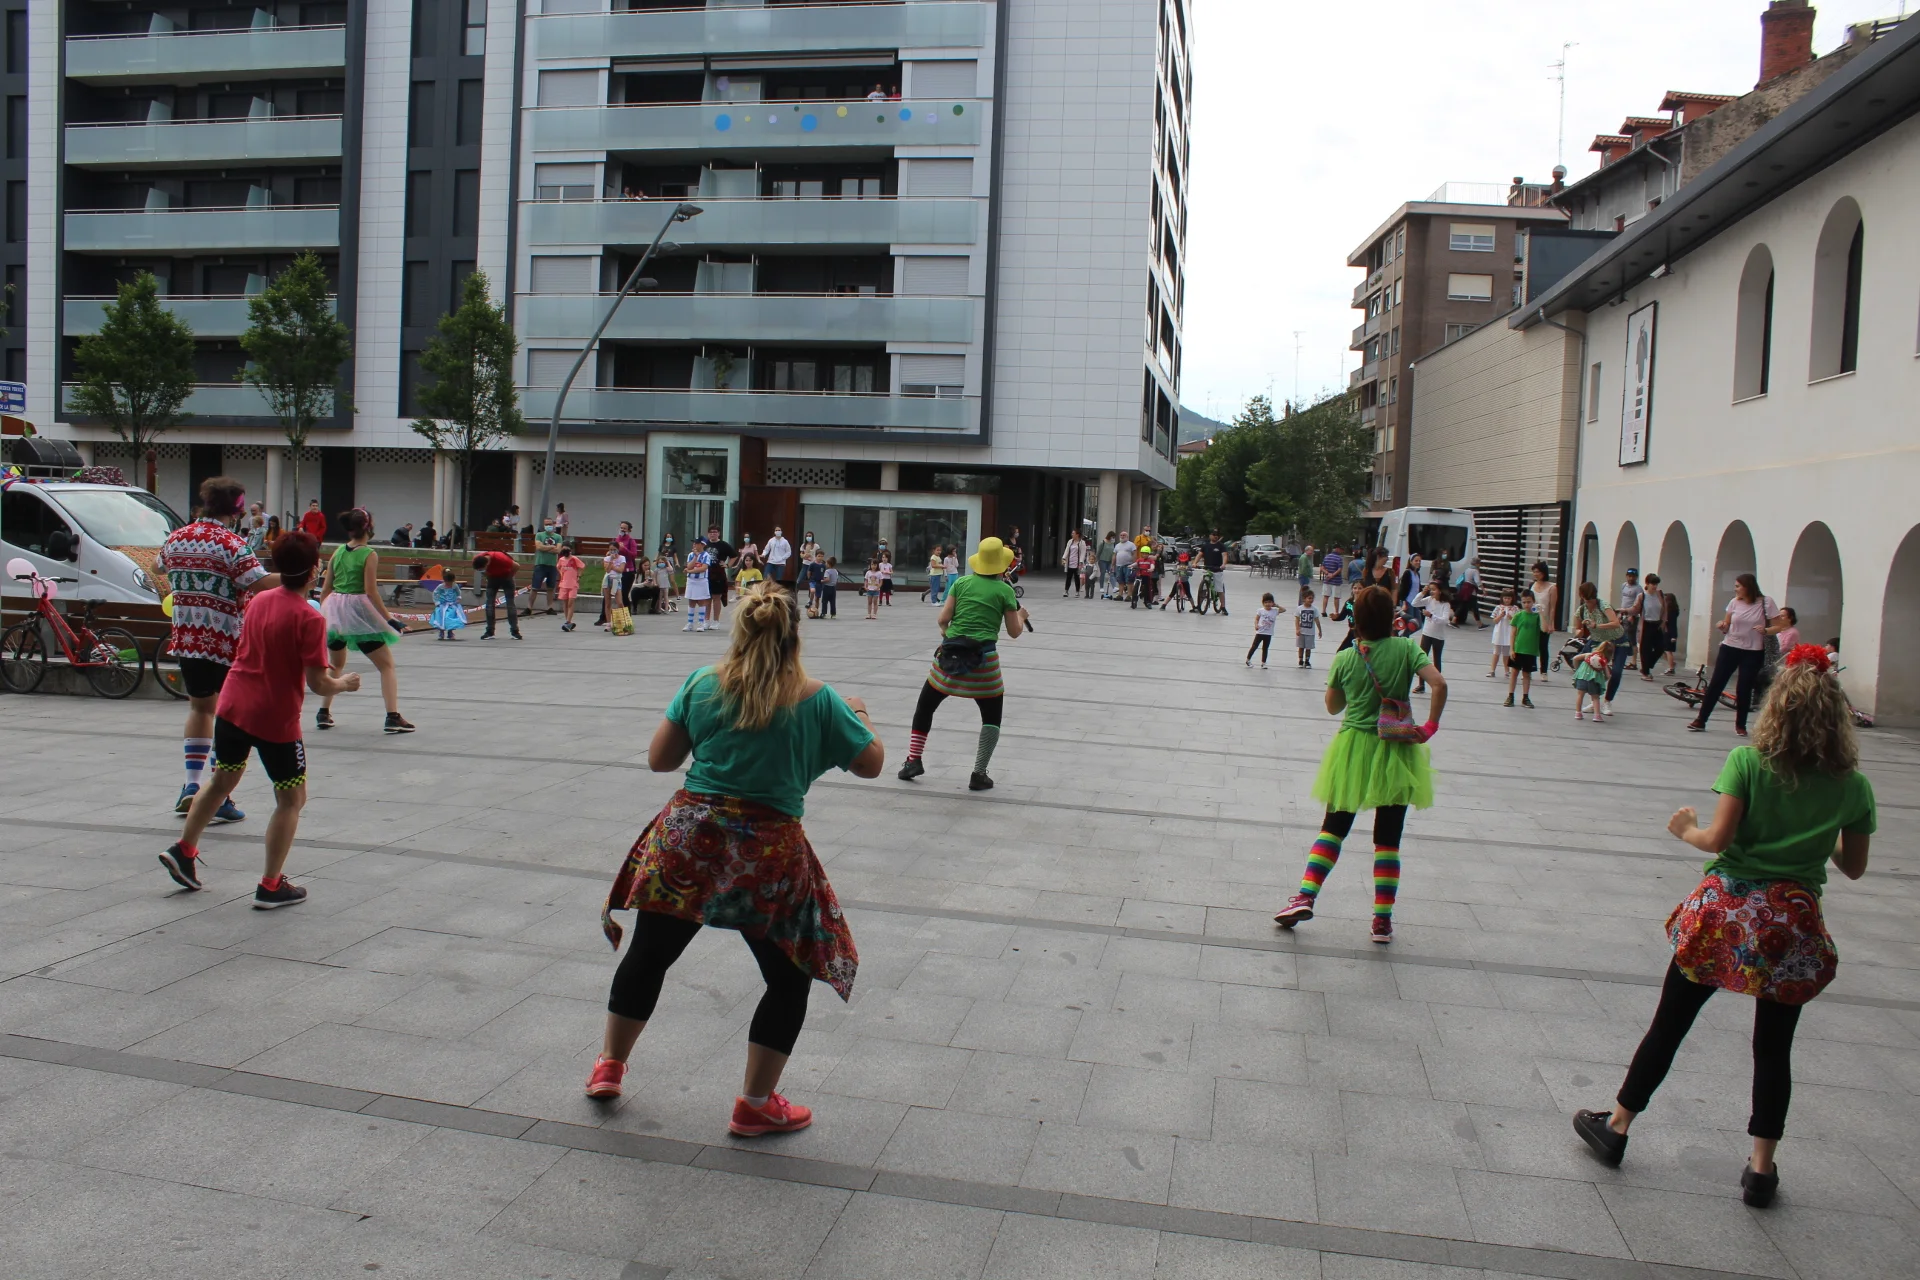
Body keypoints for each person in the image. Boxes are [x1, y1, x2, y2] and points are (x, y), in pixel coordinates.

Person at [1573, 645, 1873, 1206]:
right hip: (1792, 921)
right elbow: (1853, 866)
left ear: (1775, 708)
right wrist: (1823, 830)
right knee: (1774, 1047)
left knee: (1671, 1023)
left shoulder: (1747, 762)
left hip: (1726, 913)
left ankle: (1617, 1127)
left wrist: (1686, 828)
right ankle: (1761, 1167)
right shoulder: (1852, 786)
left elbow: (1718, 840)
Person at [586, 582, 885, 1128]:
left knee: (649, 956)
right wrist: (859, 715)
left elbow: (660, 760)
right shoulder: (820, 699)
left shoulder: (702, 683)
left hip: (689, 839)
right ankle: (755, 1105)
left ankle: (609, 1065)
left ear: (739, 629)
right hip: (766, 853)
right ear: (795, 635)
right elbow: (871, 765)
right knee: (787, 978)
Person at [159, 531, 361, 907]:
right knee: (291, 798)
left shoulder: (259, 600)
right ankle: (271, 884)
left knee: (221, 780)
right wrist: (344, 684)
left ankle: (184, 850)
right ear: (313, 571)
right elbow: (318, 683)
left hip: (233, 706)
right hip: (274, 718)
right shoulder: (309, 617)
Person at [1275, 586, 1447, 944]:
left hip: (1352, 749)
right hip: (1395, 748)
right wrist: (1429, 727)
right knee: (1388, 840)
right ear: (1390, 616)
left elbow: (1333, 707)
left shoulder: (1346, 657)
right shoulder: (1406, 648)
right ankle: (1381, 921)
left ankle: (1305, 896)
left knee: (1333, 828)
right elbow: (1438, 683)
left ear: (1356, 620)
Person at [159, 476, 281, 823]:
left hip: (187, 637)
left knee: (200, 709)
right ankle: (220, 794)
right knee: (228, 717)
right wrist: (298, 576)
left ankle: (191, 785)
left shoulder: (177, 537)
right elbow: (259, 582)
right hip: (226, 641)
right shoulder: (232, 543)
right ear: (236, 510)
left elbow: (158, 565)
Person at [897, 537, 1030, 791]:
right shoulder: (1005, 591)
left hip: (949, 658)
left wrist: (948, 636)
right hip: (984, 663)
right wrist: (1021, 616)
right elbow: (1014, 632)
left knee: (925, 706)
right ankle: (978, 773)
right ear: (1001, 566)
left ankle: (913, 760)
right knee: (991, 717)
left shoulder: (962, 583)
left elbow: (943, 619)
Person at [315, 509, 413, 733]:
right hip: (357, 613)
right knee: (386, 666)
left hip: (334, 611)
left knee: (336, 664)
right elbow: (370, 592)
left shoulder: (338, 551)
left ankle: (323, 712)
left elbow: (326, 588)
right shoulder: (369, 554)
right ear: (368, 527)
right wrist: (389, 619)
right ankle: (392, 716)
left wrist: (323, 615)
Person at [1688, 574, 1788, 736]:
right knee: (1716, 684)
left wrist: (1766, 630)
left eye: (1738, 586)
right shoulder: (1734, 602)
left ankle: (1741, 725)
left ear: (1748, 587)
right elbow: (1727, 623)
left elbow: (1779, 626)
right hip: (1730, 647)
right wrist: (1722, 625)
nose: (1735, 589)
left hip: (1753, 651)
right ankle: (1701, 720)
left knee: (1744, 687)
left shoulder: (1766, 602)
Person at [473, 548, 523, 640]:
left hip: (506, 576)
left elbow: (516, 566)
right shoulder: (478, 559)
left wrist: (509, 577)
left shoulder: (501, 558)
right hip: (492, 578)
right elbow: (480, 570)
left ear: (487, 564)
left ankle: (515, 631)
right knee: (489, 604)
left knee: (510, 604)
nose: (482, 571)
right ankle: (490, 631)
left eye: (483, 569)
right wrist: (487, 575)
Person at [1506, 589, 1543, 708]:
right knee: (1514, 673)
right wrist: (1512, 649)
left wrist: (1542, 613)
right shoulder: (1518, 616)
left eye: (1529, 602)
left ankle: (1525, 697)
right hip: (1518, 649)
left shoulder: (1537, 617)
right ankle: (1510, 696)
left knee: (1527, 674)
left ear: (1534, 602)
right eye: (1524, 602)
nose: (1526, 604)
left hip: (1530, 650)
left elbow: (1544, 628)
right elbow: (1513, 633)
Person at [1414, 581, 1451, 693]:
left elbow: (1444, 620)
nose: (1432, 592)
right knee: (1422, 658)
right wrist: (1422, 593)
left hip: (1438, 636)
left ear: (1440, 591)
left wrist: (1431, 615)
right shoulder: (1429, 599)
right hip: (1427, 633)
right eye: (1430, 589)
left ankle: (1437, 685)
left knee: (1436, 660)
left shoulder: (1445, 604)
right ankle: (1421, 685)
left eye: (1434, 589)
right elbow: (1415, 603)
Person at [1530, 563, 1559, 684]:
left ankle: (1543, 671)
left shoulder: (1552, 587)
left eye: (1538, 572)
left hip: (1544, 619)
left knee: (1543, 646)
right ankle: (1529, 669)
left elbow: (1552, 607)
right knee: (1530, 645)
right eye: (1534, 571)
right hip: (1532, 618)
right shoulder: (1532, 585)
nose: (1536, 574)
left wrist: (1551, 623)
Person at [1573, 640, 1614, 723]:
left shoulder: (1589, 655)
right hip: (1594, 681)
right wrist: (1604, 680)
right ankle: (1597, 715)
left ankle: (1578, 713)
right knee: (1595, 698)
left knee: (1580, 695)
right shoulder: (1603, 661)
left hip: (1582, 677)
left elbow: (1575, 658)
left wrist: (1578, 669)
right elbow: (1608, 675)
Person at [1638, 573, 1667, 679]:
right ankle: (1646, 672)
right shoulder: (1642, 596)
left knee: (1660, 647)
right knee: (1645, 649)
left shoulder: (1660, 594)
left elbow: (1665, 609)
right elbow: (1635, 608)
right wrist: (1626, 611)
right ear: (1647, 584)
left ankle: (1648, 665)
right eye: (1652, 584)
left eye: (1656, 584)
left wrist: (1663, 622)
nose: (1654, 586)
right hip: (1647, 624)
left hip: (1657, 624)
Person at [530, 520, 563, 615]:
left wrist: (545, 548)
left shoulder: (558, 537)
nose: (548, 526)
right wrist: (552, 547)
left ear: (553, 525)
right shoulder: (539, 535)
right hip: (540, 564)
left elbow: (558, 550)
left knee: (551, 588)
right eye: (546, 524)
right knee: (535, 587)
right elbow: (539, 547)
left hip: (552, 565)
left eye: (550, 524)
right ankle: (529, 607)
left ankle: (550, 607)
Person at [705, 525, 737, 619]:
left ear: (718, 533)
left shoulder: (723, 545)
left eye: (715, 532)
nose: (712, 534)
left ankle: (716, 620)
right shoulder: (705, 544)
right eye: (711, 532)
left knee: (716, 597)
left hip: (718, 575)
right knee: (707, 598)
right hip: (706, 574)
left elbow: (734, 556)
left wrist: (727, 565)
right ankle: (706, 620)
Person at [1488, 587, 1519, 678]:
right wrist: (1500, 616)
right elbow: (1494, 621)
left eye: (1509, 598)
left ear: (1512, 599)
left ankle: (1507, 671)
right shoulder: (1498, 608)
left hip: (1509, 632)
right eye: (1505, 598)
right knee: (1496, 652)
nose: (1507, 600)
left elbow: (1517, 622)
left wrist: (1511, 618)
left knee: (1506, 653)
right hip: (1499, 632)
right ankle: (1492, 670)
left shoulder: (1515, 608)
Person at [683, 538, 713, 632]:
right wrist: (695, 557)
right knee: (691, 601)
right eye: (694, 543)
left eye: (696, 543)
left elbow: (704, 568)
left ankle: (701, 623)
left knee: (701, 601)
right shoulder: (691, 555)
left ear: (702, 544)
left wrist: (690, 571)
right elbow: (689, 566)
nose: (694, 545)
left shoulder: (706, 555)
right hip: (691, 580)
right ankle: (690, 623)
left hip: (701, 580)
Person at [1197, 531, 1228, 615]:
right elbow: (1199, 555)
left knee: (1219, 589)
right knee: (1203, 588)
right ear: (1210, 536)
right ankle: (1199, 605)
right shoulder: (1205, 546)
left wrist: (1223, 564)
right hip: (1207, 568)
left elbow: (1224, 555)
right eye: (1214, 535)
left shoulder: (1221, 546)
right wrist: (1195, 563)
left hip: (1217, 569)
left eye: (1217, 535)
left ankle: (1223, 607)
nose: (1215, 536)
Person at [557, 543, 587, 632]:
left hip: (573, 584)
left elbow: (582, 566)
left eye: (567, 549)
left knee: (570, 602)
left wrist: (579, 575)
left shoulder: (574, 559)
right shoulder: (561, 560)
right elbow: (558, 567)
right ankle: (568, 621)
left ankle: (568, 621)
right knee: (565, 603)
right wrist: (561, 574)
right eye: (563, 549)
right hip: (564, 584)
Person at [613, 522, 642, 610]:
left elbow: (634, 555)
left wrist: (624, 549)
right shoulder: (616, 540)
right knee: (616, 593)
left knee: (624, 594)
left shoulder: (631, 541)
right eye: (621, 528)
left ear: (629, 530)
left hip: (628, 571)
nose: (622, 530)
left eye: (624, 528)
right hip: (616, 570)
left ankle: (627, 614)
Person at [430, 573, 467, 640]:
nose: (449, 584)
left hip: (452, 605)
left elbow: (458, 592)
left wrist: (458, 598)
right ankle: (441, 632)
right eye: (447, 582)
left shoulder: (455, 586)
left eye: (450, 582)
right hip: (442, 605)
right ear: (444, 581)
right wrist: (437, 602)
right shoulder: (441, 586)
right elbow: (435, 593)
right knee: (441, 618)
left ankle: (450, 633)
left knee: (450, 619)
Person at [1248, 593, 1279, 668]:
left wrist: (1276, 605)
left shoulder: (1275, 611)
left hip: (1268, 633)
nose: (1268, 604)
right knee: (1254, 646)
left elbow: (1284, 610)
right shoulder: (1260, 610)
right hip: (1260, 632)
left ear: (1272, 602)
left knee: (1265, 648)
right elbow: (1256, 619)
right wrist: (1256, 625)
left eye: (1270, 602)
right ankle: (1248, 659)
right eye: (1266, 602)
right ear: (1263, 603)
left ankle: (1263, 663)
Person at [1457, 557, 1485, 627]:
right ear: (1477, 564)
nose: (1479, 565)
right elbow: (1478, 581)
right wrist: (1483, 590)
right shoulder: (1475, 571)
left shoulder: (1467, 569)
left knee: (1462, 605)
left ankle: (1453, 621)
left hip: (1464, 590)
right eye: (1479, 563)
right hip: (1471, 591)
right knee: (1475, 607)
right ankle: (1480, 625)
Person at [1063, 531, 1089, 597]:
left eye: (1073, 533)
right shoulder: (1070, 541)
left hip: (1077, 563)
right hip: (1070, 562)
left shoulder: (1082, 543)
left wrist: (1081, 561)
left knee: (1077, 577)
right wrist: (1064, 558)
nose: (1072, 534)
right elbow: (1067, 550)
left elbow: (1083, 553)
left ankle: (1077, 591)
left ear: (1077, 534)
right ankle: (1066, 591)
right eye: (1072, 533)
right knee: (1068, 577)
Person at [1321, 545, 1345, 612]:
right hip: (1336, 581)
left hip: (1327, 580)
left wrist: (1327, 573)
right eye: (1341, 549)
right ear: (1337, 549)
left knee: (1326, 596)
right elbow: (1339, 569)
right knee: (1336, 597)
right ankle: (1336, 612)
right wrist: (1333, 575)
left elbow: (1322, 567)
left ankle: (1323, 611)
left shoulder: (1327, 557)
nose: (1342, 551)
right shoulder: (1339, 558)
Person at [1113, 535, 1135, 602]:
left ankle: (1129, 595)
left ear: (1127, 537)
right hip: (1119, 565)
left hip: (1128, 565)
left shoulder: (1131, 544)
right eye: (1121, 535)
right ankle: (1120, 595)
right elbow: (1114, 555)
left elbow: (1134, 554)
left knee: (1129, 580)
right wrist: (1112, 564)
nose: (1122, 536)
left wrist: (1134, 564)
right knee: (1120, 581)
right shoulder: (1117, 545)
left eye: (1124, 535)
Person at [1097, 532, 1118, 598]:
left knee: (1111, 573)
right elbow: (1098, 552)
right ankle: (1101, 587)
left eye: (1114, 537)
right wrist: (1096, 560)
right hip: (1102, 560)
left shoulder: (1113, 544)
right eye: (1112, 537)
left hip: (1110, 561)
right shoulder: (1103, 543)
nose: (1113, 538)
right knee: (1103, 573)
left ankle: (1114, 587)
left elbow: (1114, 552)